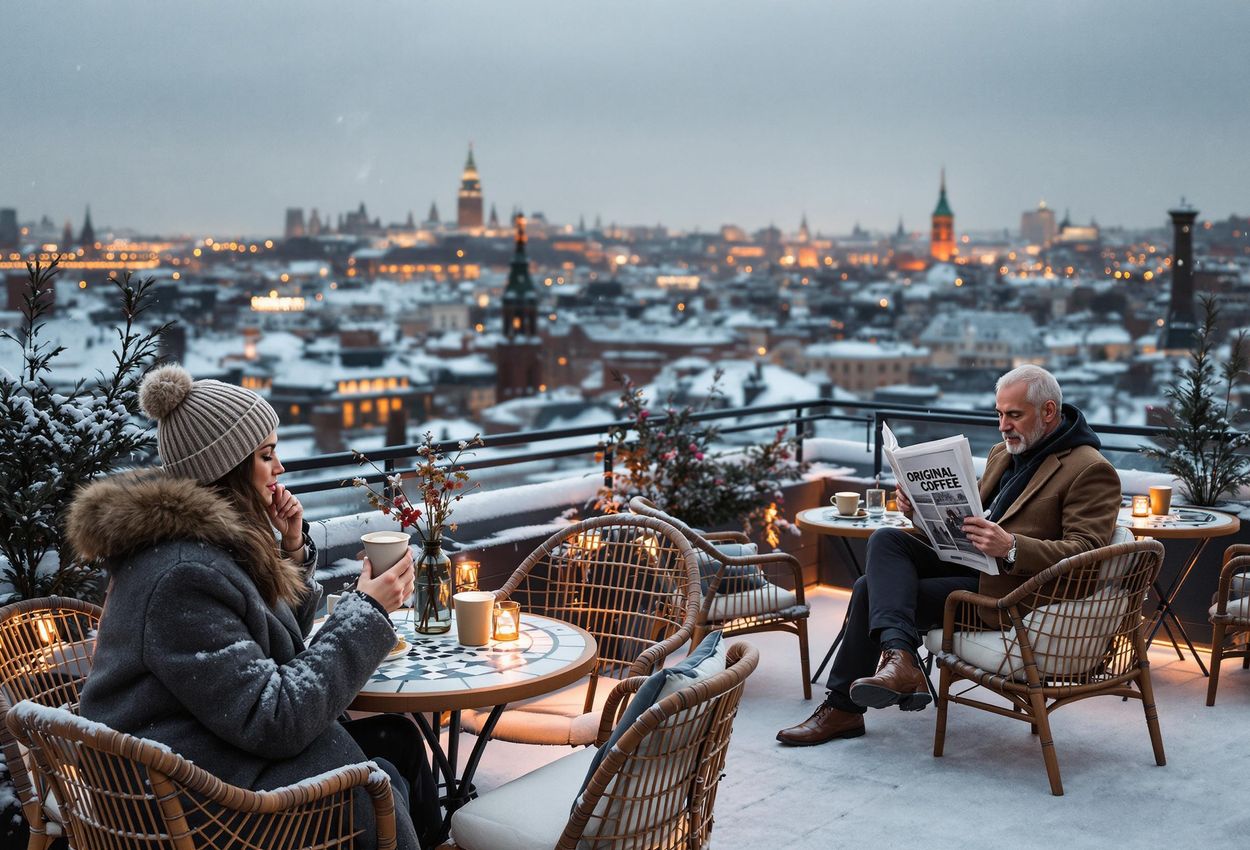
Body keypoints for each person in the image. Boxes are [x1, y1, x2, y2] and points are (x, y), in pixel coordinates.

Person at [71, 365, 430, 850]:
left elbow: (264, 645)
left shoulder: (204, 549)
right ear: (228, 468)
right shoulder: (181, 576)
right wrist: (366, 610)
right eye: (266, 455)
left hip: (210, 753)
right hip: (186, 803)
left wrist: (290, 552)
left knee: (399, 744)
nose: (279, 468)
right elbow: (274, 717)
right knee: (376, 781)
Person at [777, 365, 1121, 746]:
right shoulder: (1001, 454)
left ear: (1049, 412)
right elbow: (967, 518)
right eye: (999, 414)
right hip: (972, 563)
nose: (1004, 425)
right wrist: (918, 511)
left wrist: (1011, 548)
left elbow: (1089, 555)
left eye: (1014, 415)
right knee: (887, 539)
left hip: (1014, 590)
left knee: (867, 588)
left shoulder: (1090, 469)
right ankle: (899, 659)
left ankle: (850, 704)